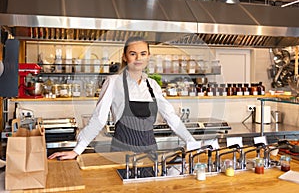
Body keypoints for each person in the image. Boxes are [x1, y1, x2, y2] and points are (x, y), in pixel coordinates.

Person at [48, 36, 196, 160]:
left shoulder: (153, 85)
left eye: (143, 54)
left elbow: (171, 117)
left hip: (150, 155)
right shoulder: (113, 82)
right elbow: (99, 119)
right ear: (125, 57)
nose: (138, 58)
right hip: (122, 153)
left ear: (148, 57)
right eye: (133, 53)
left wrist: (191, 142)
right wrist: (77, 150)